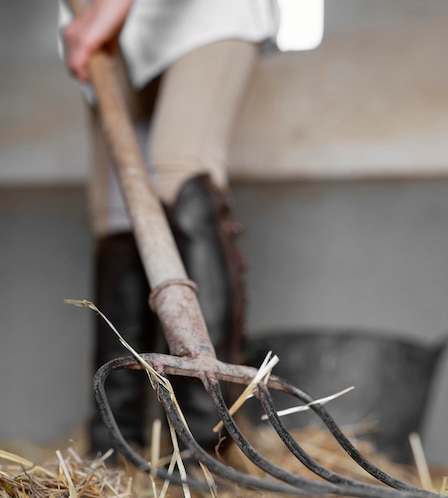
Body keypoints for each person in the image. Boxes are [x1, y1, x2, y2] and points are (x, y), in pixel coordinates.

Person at [59, 0, 322, 459]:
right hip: (95, 18)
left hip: (199, 11)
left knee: (180, 168)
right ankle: (116, 447)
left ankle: (203, 443)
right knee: (119, 208)